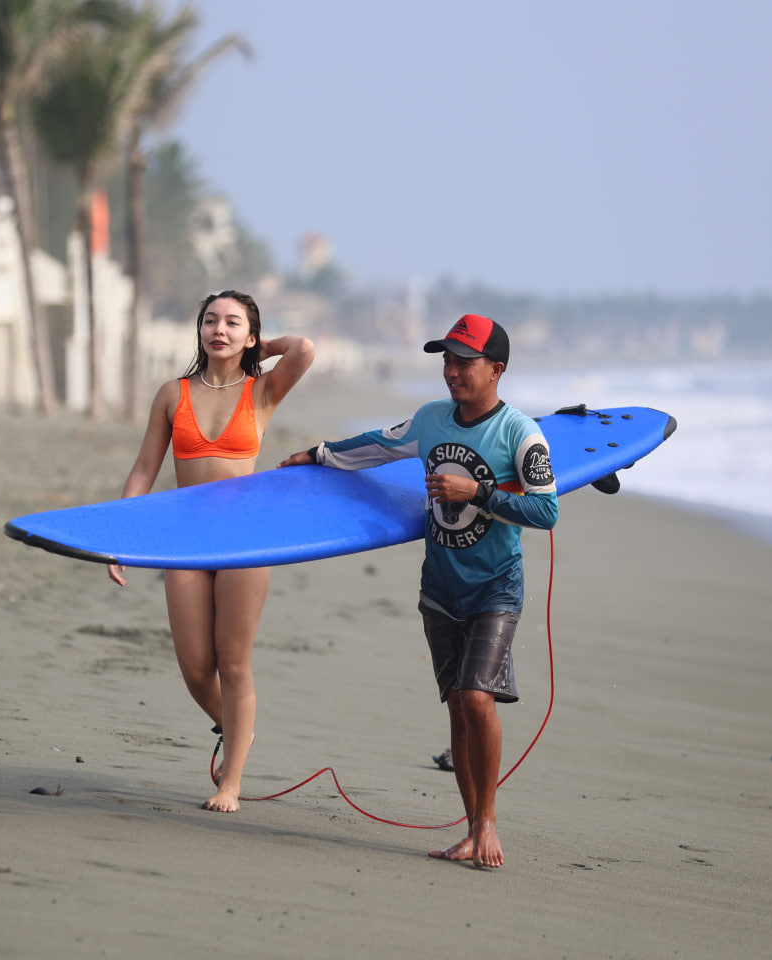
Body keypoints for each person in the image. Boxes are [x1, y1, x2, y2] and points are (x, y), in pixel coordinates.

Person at [279, 314, 557, 867]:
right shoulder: (431, 420)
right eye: (447, 361)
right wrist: (318, 455)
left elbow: (546, 510)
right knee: (457, 706)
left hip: (496, 587)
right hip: (440, 588)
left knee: (478, 697)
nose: (452, 371)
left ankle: (489, 825)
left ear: (496, 369)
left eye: (464, 361)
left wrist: (476, 490)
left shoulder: (520, 434)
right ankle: (471, 830)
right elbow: (378, 446)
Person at [109, 291, 315, 813]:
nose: (217, 330)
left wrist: (261, 348)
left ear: (249, 334)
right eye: (209, 321)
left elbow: (305, 350)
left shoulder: (263, 390)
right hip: (185, 541)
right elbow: (143, 470)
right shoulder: (172, 394)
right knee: (195, 665)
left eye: (231, 323)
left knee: (233, 661)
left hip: (245, 540)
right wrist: (120, 535)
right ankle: (237, 727)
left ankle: (232, 782)